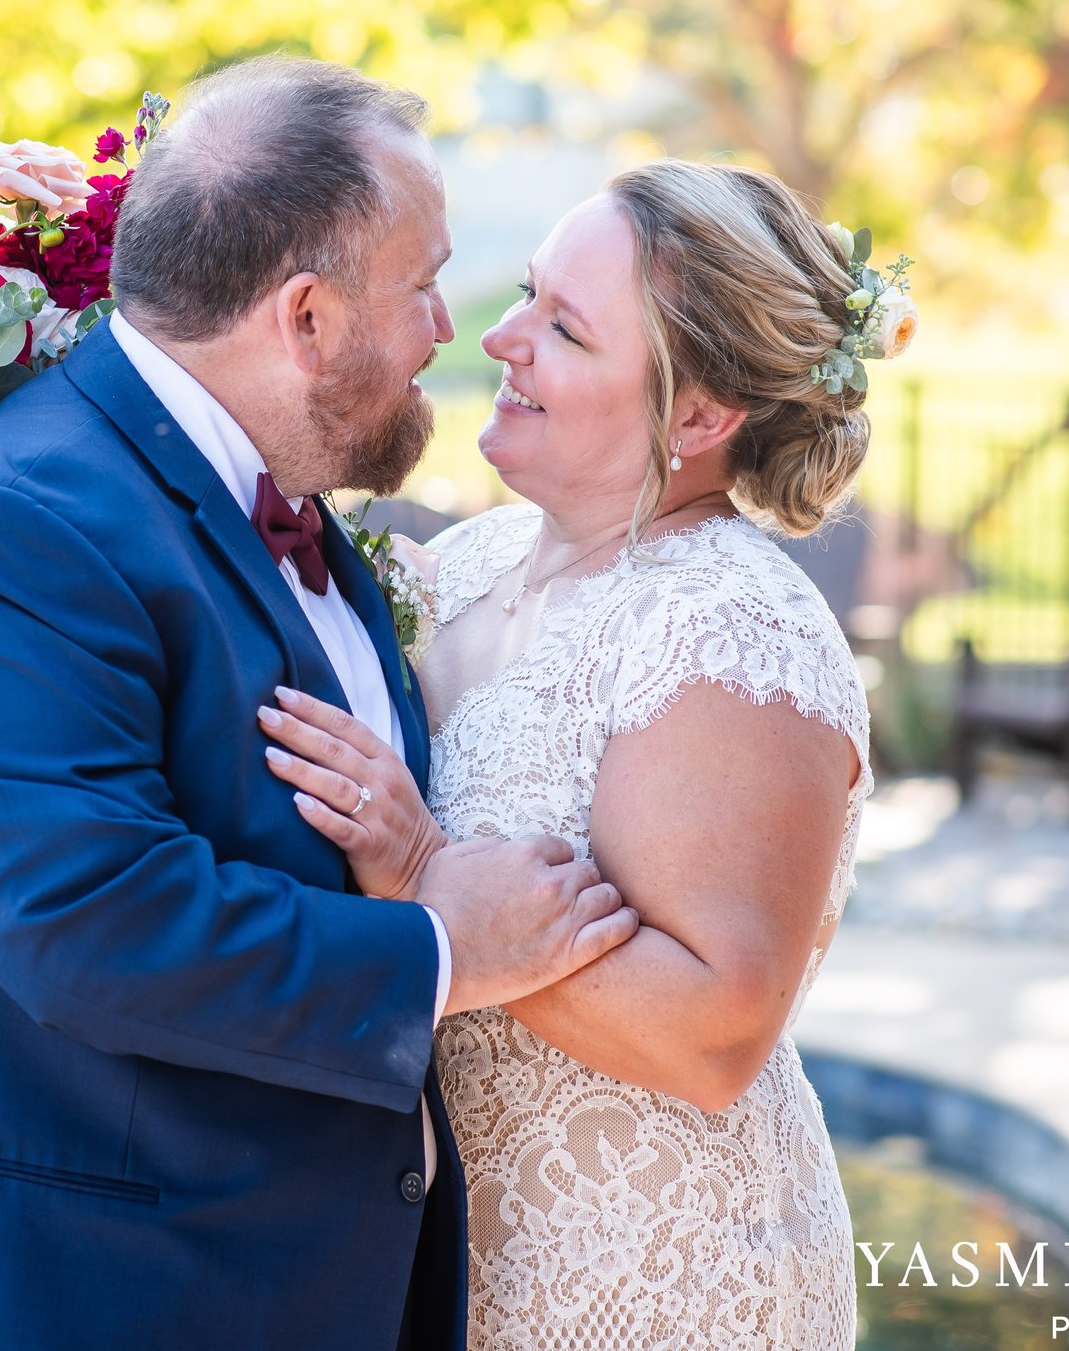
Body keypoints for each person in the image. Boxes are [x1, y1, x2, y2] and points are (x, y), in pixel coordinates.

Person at [0, 54, 640, 1351]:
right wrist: (448, 946)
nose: (456, 328)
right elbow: (92, 925)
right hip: (30, 1294)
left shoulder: (285, 511)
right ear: (304, 317)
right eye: (424, 284)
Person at [259, 159, 879, 1350]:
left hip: (656, 1273)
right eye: (529, 294)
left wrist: (429, 873)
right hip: (460, 1260)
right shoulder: (475, 560)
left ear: (698, 418)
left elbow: (712, 1034)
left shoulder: (727, 628)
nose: (501, 338)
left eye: (564, 327)